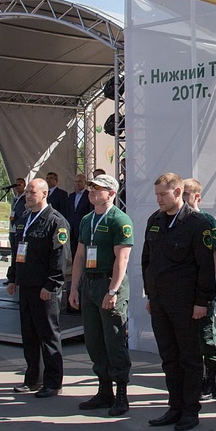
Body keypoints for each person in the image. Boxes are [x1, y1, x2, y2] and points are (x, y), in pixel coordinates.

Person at [142, 173, 216, 431]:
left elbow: (205, 267)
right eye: (157, 195)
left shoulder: (197, 224)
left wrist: (202, 301)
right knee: (169, 358)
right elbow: (147, 262)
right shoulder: (155, 221)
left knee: (189, 358)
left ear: (178, 192)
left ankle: (190, 409)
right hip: (160, 302)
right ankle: (174, 406)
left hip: (186, 304)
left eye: (163, 194)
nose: (159, 200)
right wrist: (150, 295)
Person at [67, 174, 134, 417]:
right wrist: (74, 288)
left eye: (99, 189)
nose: (92, 192)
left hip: (108, 283)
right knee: (94, 341)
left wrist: (113, 290)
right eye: (91, 188)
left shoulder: (120, 220)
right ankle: (104, 391)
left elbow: (122, 258)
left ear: (111, 193)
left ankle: (122, 394)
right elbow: (80, 256)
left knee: (114, 340)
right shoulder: (87, 220)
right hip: (90, 285)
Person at [6, 178, 69, 399]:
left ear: (44, 194)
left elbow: (60, 257)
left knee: (48, 335)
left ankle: (53, 382)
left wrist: (51, 284)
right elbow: (16, 250)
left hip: (44, 288)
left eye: (32, 192)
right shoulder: (24, 217)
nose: (27, 196)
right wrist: (13, 277)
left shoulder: (55, 221)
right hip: (26, 284)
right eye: (26, 193)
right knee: (29, 334)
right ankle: (33, 378)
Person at [181, 177, 216, 400]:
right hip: (184, 290)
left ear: (197, 196)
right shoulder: (177, 220)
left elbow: (215, 255)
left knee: (206, 335)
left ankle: (211, 379)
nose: (184, 199)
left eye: (187, 195)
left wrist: (206, 287)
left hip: (201, 290)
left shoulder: (206, 221)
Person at [67, 174, 93, 256]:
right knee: (73, 251)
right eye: (76, 182)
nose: (77, 183)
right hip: (72, 228)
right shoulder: (71, 196)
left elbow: (91, 211)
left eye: (80, 181)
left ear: (85, 182)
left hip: (83, 227)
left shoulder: (89, 195)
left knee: (83, 251)